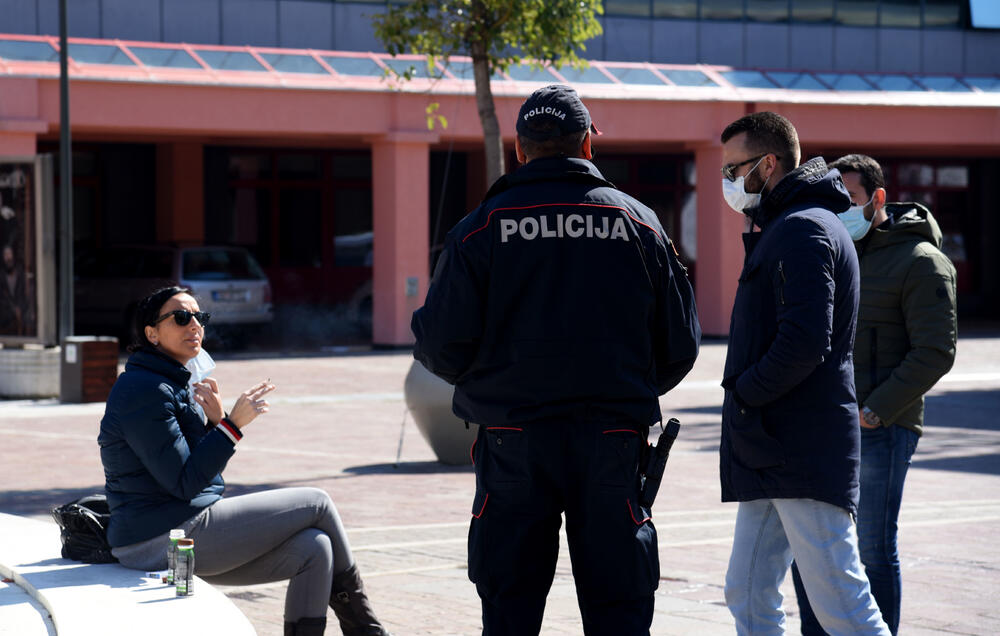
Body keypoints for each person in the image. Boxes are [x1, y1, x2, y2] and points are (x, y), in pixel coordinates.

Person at [411, 84, 701, 635]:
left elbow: (440, 346)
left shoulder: (480, 228)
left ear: (520, 149)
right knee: (620, 603)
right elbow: (680, 346)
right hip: (613, 439)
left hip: (512, 439)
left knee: (510, 605)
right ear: (587, 145)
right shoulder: (639, 224)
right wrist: (619, 385)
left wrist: (501, 383)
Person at [98, 286, 390, 636]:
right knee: (318, 503)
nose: (194, 325)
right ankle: (368, 631)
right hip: (157, 539)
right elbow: (185, 482)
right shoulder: (143, 390)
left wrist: (215, 422)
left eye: (199, 317)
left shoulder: (172, 383)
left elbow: (195, 472)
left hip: (181, 526)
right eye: (180, 317)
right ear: (152, 333)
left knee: (316, 549)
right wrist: (231, 427)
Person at [717, 111, 890, 635]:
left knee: (842, 602)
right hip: (775, 446)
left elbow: (804, 342)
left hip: (799, 445)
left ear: (768, 164)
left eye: (734, 168)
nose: (728, 181)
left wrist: (744, 394)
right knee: (747, 592)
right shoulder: (791, 225)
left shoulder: (803, 229)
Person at [791, 154, 958, 635]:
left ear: (878, 198)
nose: (841, 209)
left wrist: (875, 411)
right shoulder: (830, 250)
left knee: (871, 548)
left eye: (852, 199)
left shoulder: (923, 262)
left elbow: (935, 351)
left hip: (880, 425)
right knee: (814, 547)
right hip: (823, 424)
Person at [0, 244, 28, 335]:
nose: (8, 257)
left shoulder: (20, 274)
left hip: (21, 315)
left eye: (9, 254)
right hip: (5, 317)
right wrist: (13, 310)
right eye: (5, 255)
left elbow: (24, 294)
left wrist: (20, 309)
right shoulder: (1, 276)